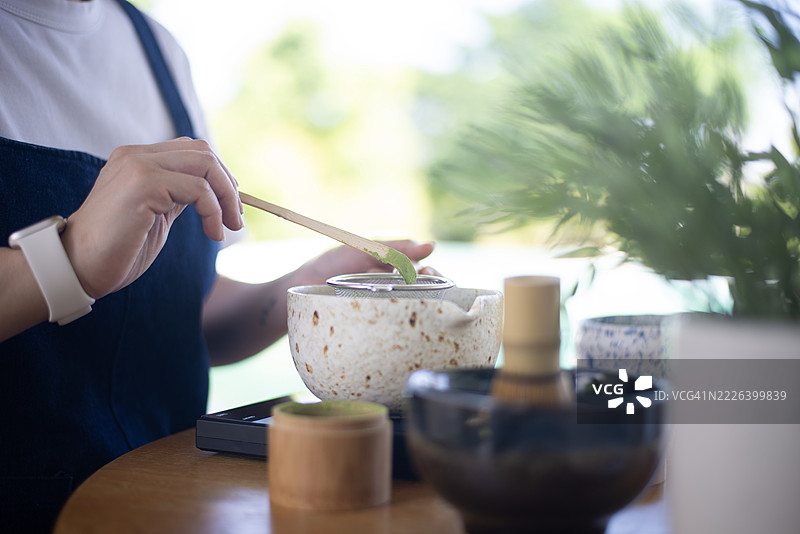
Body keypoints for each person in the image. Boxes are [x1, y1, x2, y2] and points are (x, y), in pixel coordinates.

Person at [0, 0, 435, 531]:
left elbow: (186, 315)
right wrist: (65, 264)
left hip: (176, 501)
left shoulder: (158, 50)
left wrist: (302, 289)